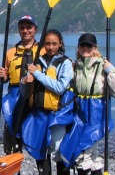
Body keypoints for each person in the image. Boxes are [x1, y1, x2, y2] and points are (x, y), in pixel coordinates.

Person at [60, 33, 115, 175]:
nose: (85, 48)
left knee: (83, 153)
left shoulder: (103, 66)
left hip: (97, 113)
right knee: (91, 154)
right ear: (78, 47)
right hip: (81, 112)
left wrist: (111, 72)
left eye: (89, 45)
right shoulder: (76, 66)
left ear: (95, 48)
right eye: (82, 45)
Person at [20, 29, 74, 175]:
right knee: (41, 152)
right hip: (38, 114)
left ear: (60, 44)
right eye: (48, 44)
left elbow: (60, 88)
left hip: (57, 115)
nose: (50, 47)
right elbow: (24, 90)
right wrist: (24, 81)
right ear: (43, 44)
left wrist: (37, 74)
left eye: (54, 44)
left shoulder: (66, 64)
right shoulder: (37, 61)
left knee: (58, 153)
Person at [0, 15, 40, 154]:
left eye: (29, 27)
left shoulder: (42, 51)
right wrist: (2, 77)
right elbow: (5, 78)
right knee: (11, 130)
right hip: (14, 95)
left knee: (33, 134)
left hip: (34, 96)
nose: (25, 30)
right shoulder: (10, 53)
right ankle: (11, 156)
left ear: (35, 29)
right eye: (22, 27)